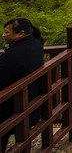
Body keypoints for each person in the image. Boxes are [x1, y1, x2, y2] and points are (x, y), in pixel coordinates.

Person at [0, 18, 45, 152]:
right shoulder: (36, 44)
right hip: (31, 103)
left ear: (21, 33)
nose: (3, 35)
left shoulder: (14, 54)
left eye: (7, 32)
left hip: (14, 109)